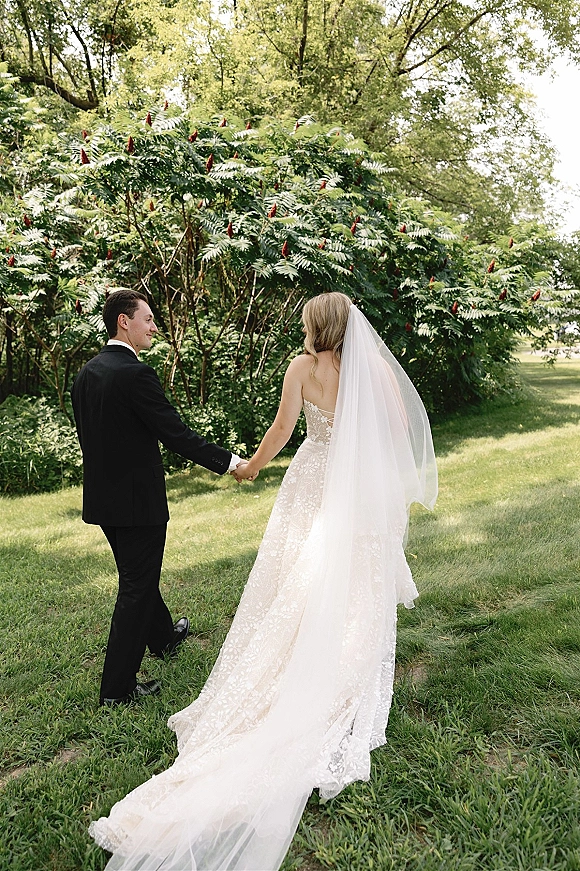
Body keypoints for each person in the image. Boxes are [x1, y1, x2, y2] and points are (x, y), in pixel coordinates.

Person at [89, 292, 438, 870]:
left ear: (315, 325)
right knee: (350, 574)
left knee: (302, 572)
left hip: (312, 477)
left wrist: (249, 465)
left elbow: (282, 430)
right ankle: (348, 653)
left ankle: (299, 650)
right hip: (356, 486)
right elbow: (399, 426)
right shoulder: (371, 367)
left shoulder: (302, 367)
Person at [71, 289, 245, 707]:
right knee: (136, 585)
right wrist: (230, 462)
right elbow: (176, 434)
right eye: (147, 319)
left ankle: (164, 638)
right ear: (123, 322)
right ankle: (117, 690)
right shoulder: (135, 374)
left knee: (138, 573)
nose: (154, 327)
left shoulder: (86, 373)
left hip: (104, 502)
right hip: (138, 504)